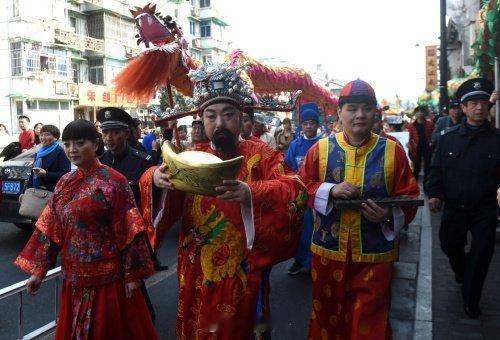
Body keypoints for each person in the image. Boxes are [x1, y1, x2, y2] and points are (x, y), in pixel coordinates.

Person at [140, 63, 305, 339]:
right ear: (202, 120)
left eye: (228, 115)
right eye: (211, 116)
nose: (219, 124)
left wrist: (251, 193)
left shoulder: (261, 155)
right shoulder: (192, 156)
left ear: (241, 118)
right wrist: (155, 179)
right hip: (195, 267)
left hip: (241, 268)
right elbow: (158, 183)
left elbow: (295, 189)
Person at [15, 119, 158, 340]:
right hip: (74, 278)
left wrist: (132, 276)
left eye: (80, 143)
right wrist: (39, 271)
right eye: (68, 144)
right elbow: (50, 226)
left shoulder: (114, 181)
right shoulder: (64, 182)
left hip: (108, 280)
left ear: (95, 144)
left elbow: (130, 230)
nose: (72, 150)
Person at [298, 79, 419, 339]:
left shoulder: (393, 151)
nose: (360, 115)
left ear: (375, 112)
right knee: (327, 319)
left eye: (366, 108)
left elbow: (409, 196)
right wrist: (329, 190)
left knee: (369, 321)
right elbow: (300, 187)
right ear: (339, 112)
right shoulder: (319, 150)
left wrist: (389, 215)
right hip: (328, 252)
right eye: (352, 108)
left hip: (375, 256)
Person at [426, 78, 499, 318]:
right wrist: (434, 194)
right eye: (473, 103)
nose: (479, 108)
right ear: (464, 108)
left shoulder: (497, 139)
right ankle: (461, 271)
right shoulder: (448, 137)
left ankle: (471, 299)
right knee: (449, 244)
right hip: (455, 207)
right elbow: (435, 169)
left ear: (489, 107)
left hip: (485, 209)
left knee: (481, 254)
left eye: (483, 103)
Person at [285, 102, 322, 275]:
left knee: (318, 230)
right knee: (299, 230)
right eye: (305, 123)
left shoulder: (324, 144)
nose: (308, 126)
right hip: (300, 196)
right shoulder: (295, 145)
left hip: (320, 195)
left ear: (317, 125)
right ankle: (299, 261)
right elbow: (288, 167)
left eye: (312, 123)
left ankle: (318, 262)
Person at [25, 125, 71, 192]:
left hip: (52, 193)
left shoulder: (60, 152)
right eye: (41, 135)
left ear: (55, 137)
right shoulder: (39, 152)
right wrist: (24, 191)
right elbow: (33, 174)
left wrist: (46, 174)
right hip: (36, 192)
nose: (43, 137)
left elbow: (66, 174)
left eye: (46, 135)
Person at [408, 106, 435, 180]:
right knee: (416, 167)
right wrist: (410, 145)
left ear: (424, 113)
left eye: (421, 112)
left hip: (427, 148)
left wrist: (432, 142)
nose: (420, 113)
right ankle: (414, 184)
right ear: (415, 114)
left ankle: (427, 185)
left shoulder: (430, 124)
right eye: (418, 112)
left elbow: (433, 135)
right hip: (416, 149)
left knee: (428, 167)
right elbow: (409, 137)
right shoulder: (411, 126)